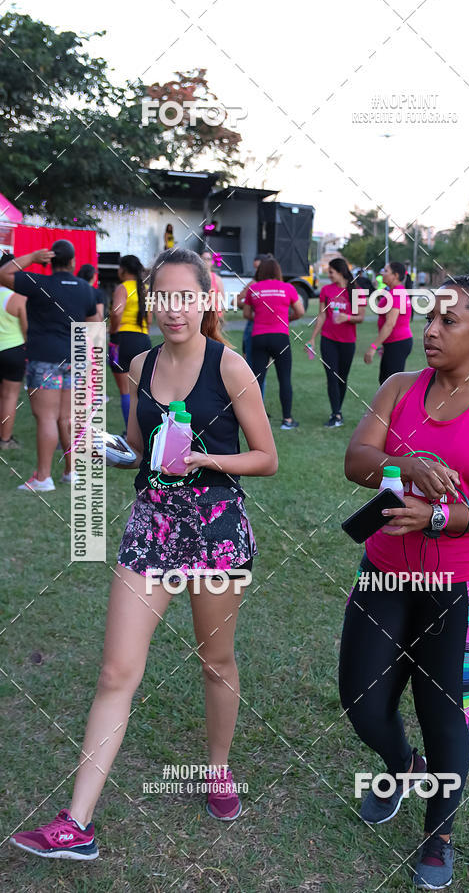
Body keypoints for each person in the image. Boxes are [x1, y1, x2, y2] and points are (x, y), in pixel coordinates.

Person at [9, 246, 278, 861]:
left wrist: (204, 458)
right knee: (115, 671)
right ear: (151, 300)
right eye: (164, 297)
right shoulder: (141, 362)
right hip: (152, 527)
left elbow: (266, 458)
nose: (174, 309)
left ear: (207, 299)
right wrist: (116, 449)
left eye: (187, 297)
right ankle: (76, 824)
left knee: (216, 662)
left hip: (214, 529)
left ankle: (217, 769)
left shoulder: (230, 366)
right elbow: (139, 441)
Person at [340, 273, 469, 889]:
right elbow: (357, 460)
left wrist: (442, 516)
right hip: (386, 571)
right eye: (428, 317)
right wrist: (406, 463)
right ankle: (401, 765)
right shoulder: (400, 386)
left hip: (468, 583)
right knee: (362, 700)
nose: (429, 330)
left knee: (444, 709)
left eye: (448, 321)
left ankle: (439, 832)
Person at [0, 240, 99, 491]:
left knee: (46, 417)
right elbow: (94, 322)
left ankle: (43, 478)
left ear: (50, 260)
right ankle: (71, 472)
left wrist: (32, 256)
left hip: (44, 359)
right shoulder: (85, 289)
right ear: (74, 262)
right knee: (66, 418)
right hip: (75, 359)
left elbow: (3, 273)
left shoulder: (39, 283)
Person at [242, 256, 304, 428]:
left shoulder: (254, 289)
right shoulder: (287, 288)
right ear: (278, 272)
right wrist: (286, 319)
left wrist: (261, 317)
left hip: (259, 337)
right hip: (280, 337)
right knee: (284, 378)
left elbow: (246, 314)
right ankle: (287, 420)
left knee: (257, 379)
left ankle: (255, 420)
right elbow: (300, 311)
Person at [307, 257, 366, 427]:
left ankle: (337, 410)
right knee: (332, 376)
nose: (329, 275)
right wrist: (312, 338)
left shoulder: (356, 291)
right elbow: (322, 315)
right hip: (328, 340)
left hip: (347, 341)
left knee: (342, 378)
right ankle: (336, 414)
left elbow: (361, 317)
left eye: (331, 272)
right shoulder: (326, 290)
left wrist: (345, 317)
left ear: (340, 272)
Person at [109, 255, 152, 429]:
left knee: (125, 391)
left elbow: (117, 312)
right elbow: (149, 319)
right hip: (143, 339)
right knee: (141, 391)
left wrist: (113, 330)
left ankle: (130, 433)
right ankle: (142, 432)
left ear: (123, 270)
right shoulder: (146, 288)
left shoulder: (122, 287)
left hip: (122, 340)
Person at [363, 261, 413, 384]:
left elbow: (390, 324)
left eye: (386, 271)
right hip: (394, 343)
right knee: (387, 382)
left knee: (390, 385)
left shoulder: (396, 293)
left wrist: (373, 346)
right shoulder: (395, 291)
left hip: (397, 342)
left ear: (395, 275)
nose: (382, 273)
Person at [0, 253, 27, 450]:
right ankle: (5, 440)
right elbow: (27, 330)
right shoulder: (18, 298)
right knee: (9, 396)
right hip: (13, 350)